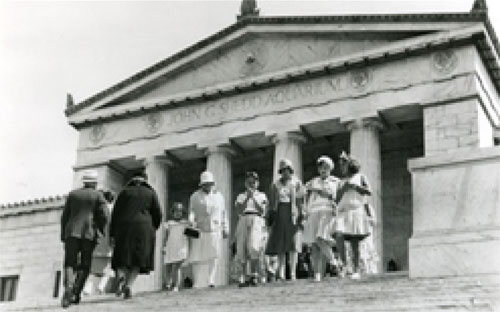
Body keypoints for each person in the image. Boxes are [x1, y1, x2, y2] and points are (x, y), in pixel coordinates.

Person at [110, 171, 162, 299]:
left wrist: (112, 233)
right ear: (145, 180)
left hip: (124, 227)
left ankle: (121, 276)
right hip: (143, 228)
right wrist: (153, 227)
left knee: (122, 257)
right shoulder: (151, 193)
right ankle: (129, 286)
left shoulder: (124, 192)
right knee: (138, 259)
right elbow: (158, 213)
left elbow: (115, 214)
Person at [60, 170, 108, 308]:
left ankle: (68, 289)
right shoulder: (98, 196)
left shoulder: (73, 194)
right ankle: (76, 292)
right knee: (85, 264)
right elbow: (104, 215)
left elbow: (65, 216)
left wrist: (64, 234)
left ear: (84, 182)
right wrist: (101, 230)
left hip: (72, 233)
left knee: (70, 263)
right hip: (89, 234)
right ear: (95, 183)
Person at [187, 171, 228, 288]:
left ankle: (211, 280)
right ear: (201, 185)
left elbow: (223, 212)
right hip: (200, 229)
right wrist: (191, 220)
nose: (208, 186)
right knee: (197, 256)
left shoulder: (219, 196)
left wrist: (225, 227)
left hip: (215, 228)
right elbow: (192, 211)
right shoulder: (195, 196)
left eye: (210, 183)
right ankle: (197, 281)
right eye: (205, 184)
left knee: (214, 254)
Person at [265, 159, 305, 281]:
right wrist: (270, 217)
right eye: (282, 170)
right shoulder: (275, 184)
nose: (285, 172)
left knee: (293, 244)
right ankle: (281, 273)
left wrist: (301, 215)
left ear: (291, 170)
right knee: (281, 245)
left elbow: (301, 200)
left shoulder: (297, 183)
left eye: (287, 169)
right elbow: (271, 202)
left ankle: (292, 272)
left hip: (292, 214)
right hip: (279, 214)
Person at [335, 152, 372, 280]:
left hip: (356, 210)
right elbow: (336, 198)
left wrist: (356, 187)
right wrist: (343, 189)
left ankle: (356, 269)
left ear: (350, 164)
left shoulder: (361, 177)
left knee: (354, 242)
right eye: (340, 165)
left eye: (344, 164)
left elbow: (369, 191)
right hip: (343, 212)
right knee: (338, 234)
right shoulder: (340, 181)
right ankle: (344, 264)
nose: (342, 167)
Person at [303, 156, 340, 282]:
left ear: (330, 168)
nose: (323, 170)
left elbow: (331, 195)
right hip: (313, 212)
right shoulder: (313, 181)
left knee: (321, 239)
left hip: (327, 211)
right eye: (321, 167)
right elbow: (306, 195)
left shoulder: (335, 181)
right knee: (314, 244)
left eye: (325, 167)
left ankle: (334, 262)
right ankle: (317, 274)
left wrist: (316, 189)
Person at [234, 171, 268, 287]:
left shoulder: (261, 195)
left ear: (257, 183)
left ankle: (253, 275)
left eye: (253, 182)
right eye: (249, 182)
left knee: (254, 246)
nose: (251, 184)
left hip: (257, 219)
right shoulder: (241, 196)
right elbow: (239, 210)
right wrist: (246, 198)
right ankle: (242, 277)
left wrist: (253, 197)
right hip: (243, 218)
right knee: (241, 248)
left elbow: (262, 210)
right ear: (245, 183)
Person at [82, 190, 115, 296]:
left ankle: (87, 288)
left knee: (93, 269)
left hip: (96, 243)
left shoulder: (95, 210)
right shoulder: (113, 211)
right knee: (108, 267)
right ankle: (101, 287)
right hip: (108, 244)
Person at [162, 202, 190, 292]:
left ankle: (176, 285)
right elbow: (166, 236)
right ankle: (168, 283)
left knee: (176, 266)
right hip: (171, 246)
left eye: (180, 211)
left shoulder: (185, 223)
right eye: (176, 211)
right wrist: (164, 246)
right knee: (168, 266)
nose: (178, 213)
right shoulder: (169, 224)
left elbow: (192, 234)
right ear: (172, 212)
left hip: (181, 246)